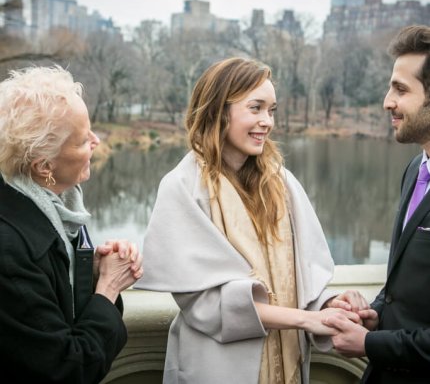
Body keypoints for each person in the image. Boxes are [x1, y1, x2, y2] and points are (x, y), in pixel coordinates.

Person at [135, 57, 369, 383]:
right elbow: (208, 305)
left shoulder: (281, 183)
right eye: (255, 108)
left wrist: (331, 302)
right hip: (218, 368)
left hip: (288, 362)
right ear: (218, 110)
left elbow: (304, 279)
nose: (267, 121)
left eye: (271, 110)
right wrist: (304, 319)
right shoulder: (183, 187)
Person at [0, 65, 143, 384]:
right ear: (45, 165)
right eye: (82, 140)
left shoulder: (58, 215)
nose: (96, 141)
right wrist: (107, 289)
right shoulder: (9, 249)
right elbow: (68, 369)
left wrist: (88, 273)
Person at [323, 25, 430, 383]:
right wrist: (376, 313)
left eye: (400, 89)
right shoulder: (415, 169)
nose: (387, 101)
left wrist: (371, 343)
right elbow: (405, 283)